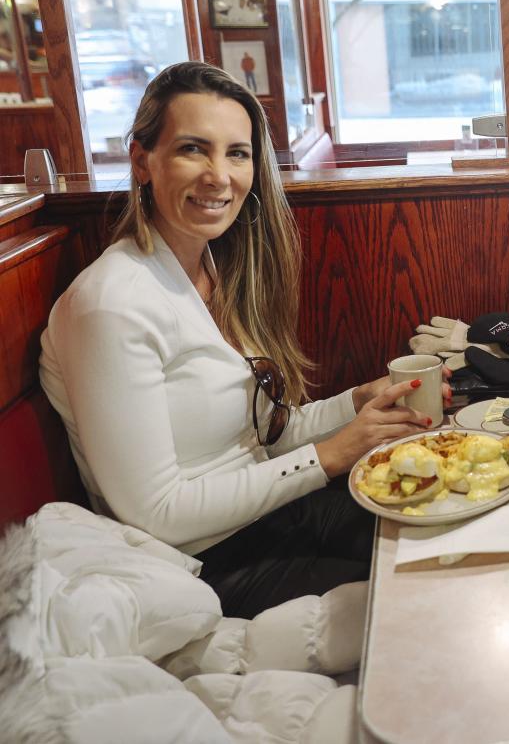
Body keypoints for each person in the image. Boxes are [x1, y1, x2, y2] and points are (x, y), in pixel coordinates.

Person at [40, 62, 448, 619]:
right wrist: (331, 455)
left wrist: (358, 405)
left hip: (270, 517)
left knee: (444, 527)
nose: (219, 176)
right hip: (199, 565)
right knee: (423, 599)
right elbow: (156, 512)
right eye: (192, 149)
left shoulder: (208, 271)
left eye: (237, 153)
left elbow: (263, 440)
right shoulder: (110, 305)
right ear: (142, 161)